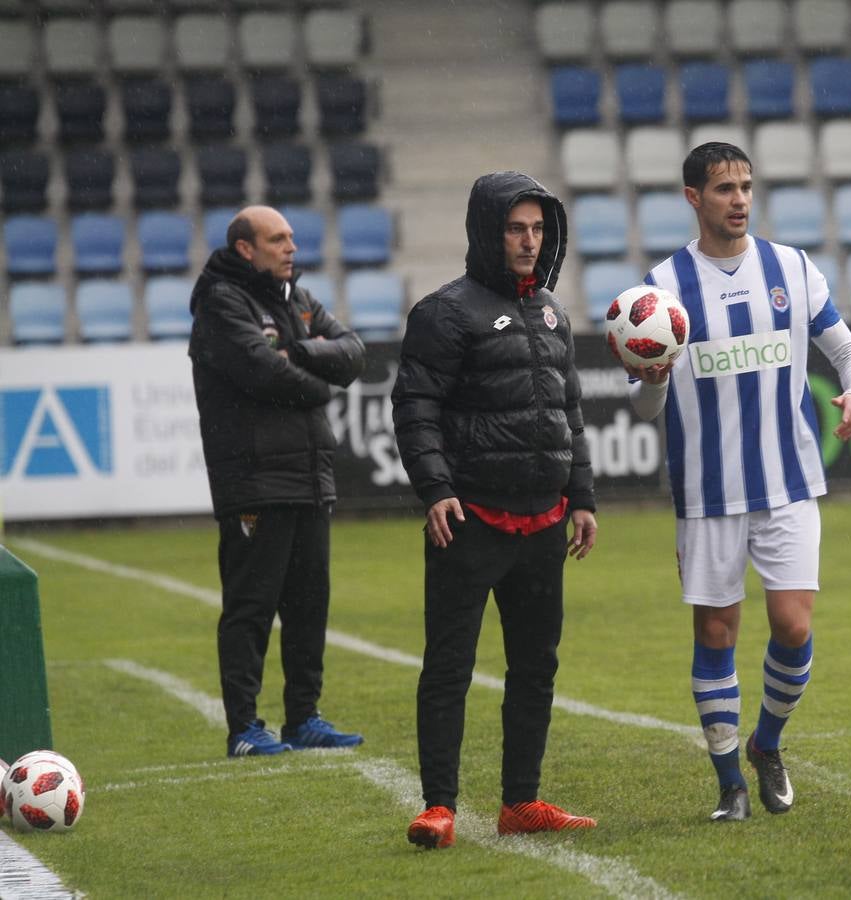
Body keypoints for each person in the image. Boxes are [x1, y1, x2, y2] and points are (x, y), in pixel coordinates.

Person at [626, 143, 851, 822]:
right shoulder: (664, 288)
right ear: (693, 199)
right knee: (716, 634)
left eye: (746, 186)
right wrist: (650, 380)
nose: (738, 199)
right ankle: (729, 783)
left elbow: (848, 352)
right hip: (707, 492)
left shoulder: (790, 268)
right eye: (724, 188)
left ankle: (767, 744)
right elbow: (644, 406)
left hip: (788, 480)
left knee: (792, 626)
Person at [394, 172, 599, 850]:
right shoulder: (443, 313)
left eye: (538, 229)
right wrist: (435, 489)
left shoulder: (552, 310)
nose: (530, 242)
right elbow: (415, 408)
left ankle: (521, 801)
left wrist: (584, 498)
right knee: (450, 666)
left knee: (536, 666)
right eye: (516, 229)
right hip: (470, 520)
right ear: (488, 232)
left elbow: (569, 412)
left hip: (544, 522)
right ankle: (438, 807)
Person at [188, 205, 368, 758]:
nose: (291, 247)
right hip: (255, 480)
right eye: (278, 239)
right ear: (246, 248)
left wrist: (304, 353)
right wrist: (318, 383)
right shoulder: (222, 302)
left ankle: (303, 718)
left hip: (310, 476)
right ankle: (244, 727)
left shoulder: (299, 299)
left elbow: (354, 353)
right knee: (251, 606)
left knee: (309, 603)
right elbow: (262, 372)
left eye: (291, 237)